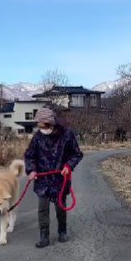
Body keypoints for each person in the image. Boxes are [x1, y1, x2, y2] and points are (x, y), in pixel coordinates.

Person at [24, 106, 83, 248]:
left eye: (43, 126)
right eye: (39, 126)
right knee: (42, 209)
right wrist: (31, 170)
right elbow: (29, 155)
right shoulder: (38, 137)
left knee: (60, 207)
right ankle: (44, 236)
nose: (41, 129)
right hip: (42, 180)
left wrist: (68, 166)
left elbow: (77, 154)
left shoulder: (67, 135)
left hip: (60, 179)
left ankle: (62, 231)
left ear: (51, 123)